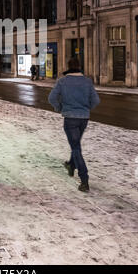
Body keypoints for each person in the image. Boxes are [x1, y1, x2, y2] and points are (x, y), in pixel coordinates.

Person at [48, 58, 100, 192]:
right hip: (83, 119)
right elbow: (95, 100)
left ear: (68, 67)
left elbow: (51, 98)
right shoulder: (87, 81)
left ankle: (84, 180)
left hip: (70, 119)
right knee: (75, 144)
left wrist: (59, 108)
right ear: (79, 67)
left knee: (76, 147)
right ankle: (71, 164)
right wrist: (85, 109)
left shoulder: (63, 81)